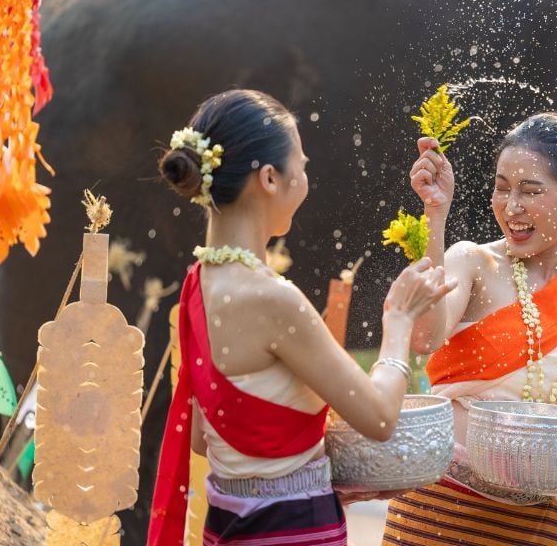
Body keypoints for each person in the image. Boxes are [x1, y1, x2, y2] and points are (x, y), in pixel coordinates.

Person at [148, 89, 456, 546]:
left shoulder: (199, 283)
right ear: (270, 178)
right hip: (293, 530)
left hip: (228, 525)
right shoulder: (272, 298)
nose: (307, 176)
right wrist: (399, 320)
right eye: (302, 164)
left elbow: (201, 436)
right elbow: (378, 418)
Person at [381, 113, 557, 545]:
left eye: (530, 191)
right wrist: (435, 214)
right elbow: (424, 337)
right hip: (436, 509)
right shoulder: (472, 262)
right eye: (502, 187)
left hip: (533, 522)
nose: (511, 206)